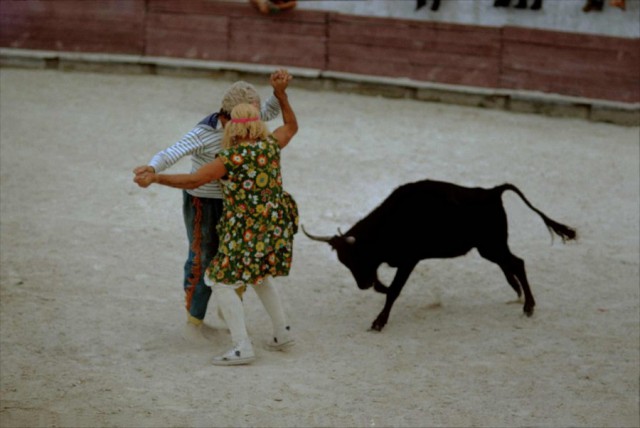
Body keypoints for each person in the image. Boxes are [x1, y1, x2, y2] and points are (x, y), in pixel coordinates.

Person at [134, 70, 298, 366]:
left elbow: (193, 180)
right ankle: (282, 332)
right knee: (258, 274)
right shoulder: (270, 146)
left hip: (241, 224)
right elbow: (291, 125)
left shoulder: (230, 159)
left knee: (216, 276)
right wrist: (281, 94)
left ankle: (241, 345)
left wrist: (156, 177)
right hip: (266, 223)